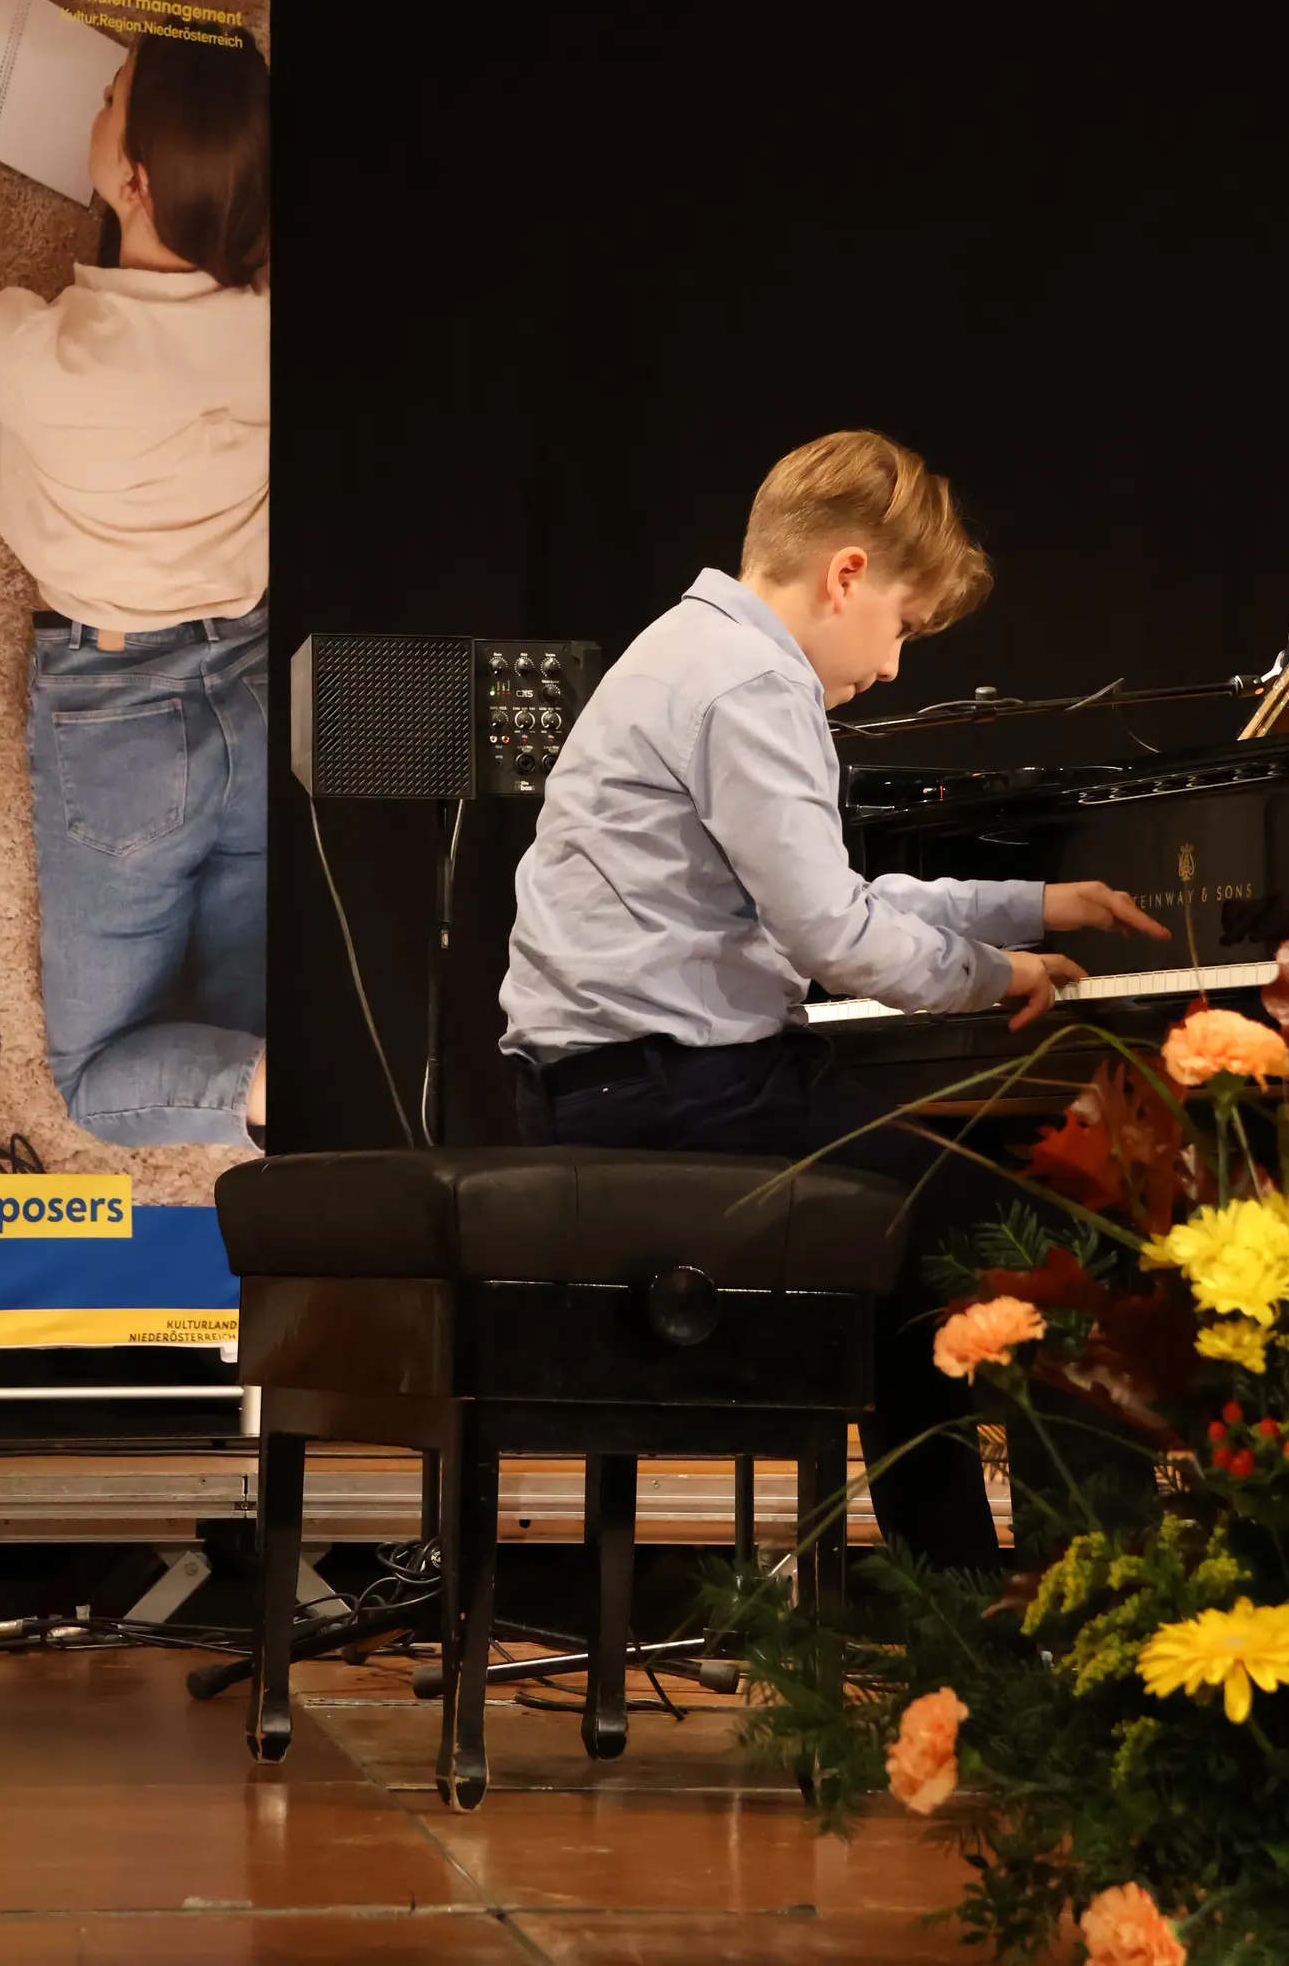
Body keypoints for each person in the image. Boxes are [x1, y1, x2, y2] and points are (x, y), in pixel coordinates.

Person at [500, 430, 1169, 1567]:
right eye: (904, 625)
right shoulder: (754, 682)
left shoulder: (686, 648)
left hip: (624, 1087)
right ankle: (1103, 1610)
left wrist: (1032, 905)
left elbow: (830, 901)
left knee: (919, 1276)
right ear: (846, 574)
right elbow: (838, 940)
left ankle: (960, 1613)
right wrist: (1002, 973)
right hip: (676, 1096)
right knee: (1065, 1254)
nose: (895, 665)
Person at [0, 0, 269, 1151]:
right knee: (237, 1024)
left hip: (124, 712)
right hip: (252, 681)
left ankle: (292, 1094)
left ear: (133, 180)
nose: (96, 97)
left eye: (108, 96)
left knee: (94, 1082)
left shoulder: (46, 352)